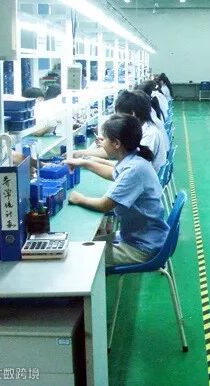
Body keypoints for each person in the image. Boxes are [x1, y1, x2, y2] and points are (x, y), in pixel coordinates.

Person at [68, 114, 170, 267]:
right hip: (143, 237)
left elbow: (104, 205)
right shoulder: (134, 159)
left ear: (116, 143)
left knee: (77, 257)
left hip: (142, 247)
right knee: (81, 245)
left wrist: (79, 199)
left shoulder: (134, 169)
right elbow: (112, 173)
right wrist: (84, 163)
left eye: (104, 139)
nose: (101, 143)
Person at [70, 90, 166, 174]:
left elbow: (130, 171)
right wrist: (87, 157)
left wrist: (89, 163)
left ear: (132, 114)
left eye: (119, 115)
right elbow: (127, 164)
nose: (118, 119)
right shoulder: (142, 129)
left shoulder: (150, 135)